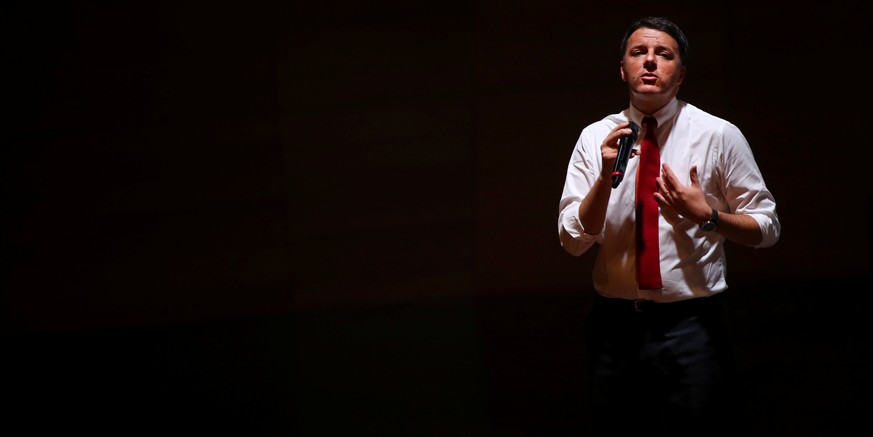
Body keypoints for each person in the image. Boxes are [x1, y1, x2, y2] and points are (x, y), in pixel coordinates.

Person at [557, 16, 780, 434]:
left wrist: (708, 216)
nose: (650, 62)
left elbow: (767, 228)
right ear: (622, 69)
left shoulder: (718, 135)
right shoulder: (595, 138)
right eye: (639, 52)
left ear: (681, 73)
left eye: (664, 54)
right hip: (615, 326)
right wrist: (605, 178)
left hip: (692, 325)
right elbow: (573, 241)